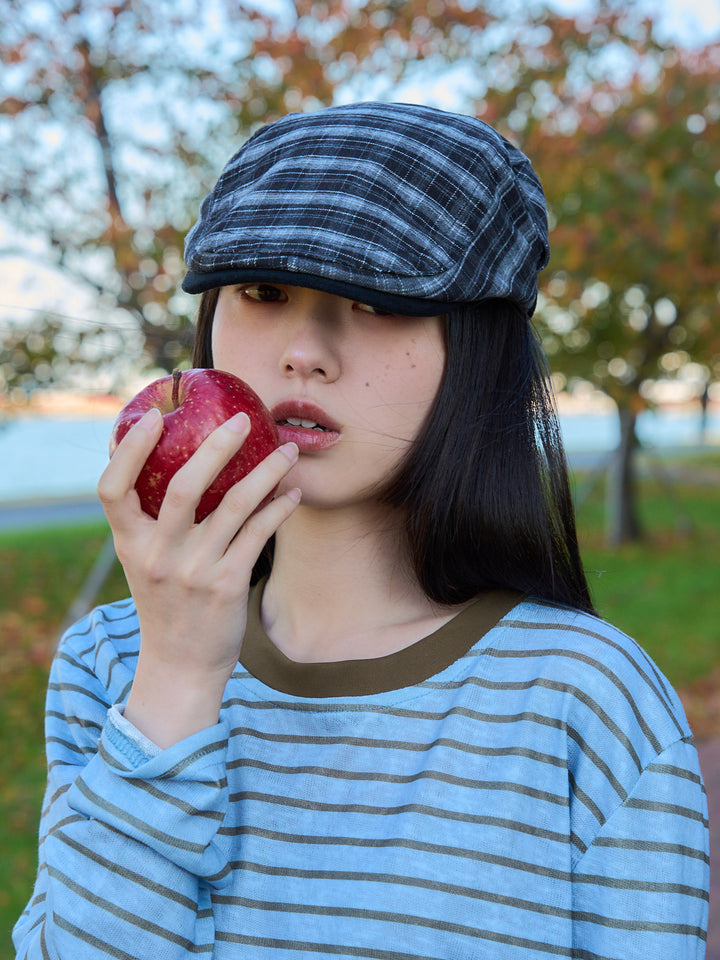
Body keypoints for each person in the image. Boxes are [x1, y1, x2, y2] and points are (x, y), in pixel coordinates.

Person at [14, 102, 708, 959]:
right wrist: (178, 677)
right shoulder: (113, 664)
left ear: (479, 347)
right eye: (264, 293)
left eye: (377, 302)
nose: (306, 349)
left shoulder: (588, 702)